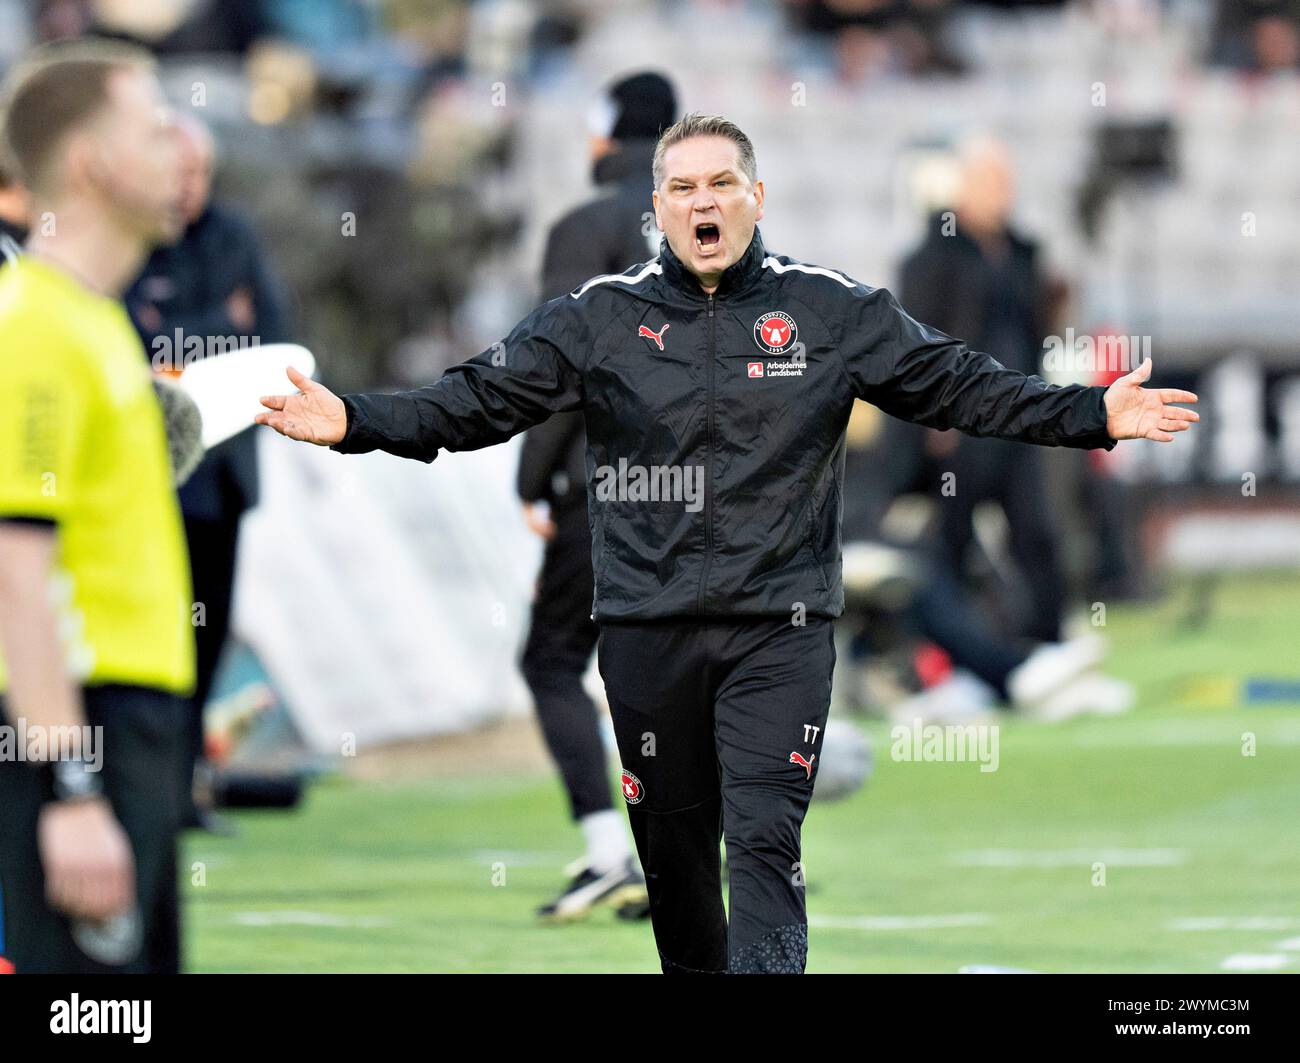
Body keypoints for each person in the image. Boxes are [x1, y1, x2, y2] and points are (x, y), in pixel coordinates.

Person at [255, 113, 1199, 974]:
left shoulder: (831, 311)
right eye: (682, 187)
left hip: (778, 629)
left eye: (721, 183)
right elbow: (476, 399)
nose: (702, 201)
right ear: (658, 207)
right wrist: (353, 419)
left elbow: (960, 384)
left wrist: (1092, 414)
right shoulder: (597, 316)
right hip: (643, 627)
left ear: (756, 197)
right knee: (674, 859)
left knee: (762, 841)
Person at [0, 40, 194, 973]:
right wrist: (69, 790)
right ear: (89, 163)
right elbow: (14, 573)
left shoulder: (99, 319)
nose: (180, 148)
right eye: (154, 129)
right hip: (87, 734)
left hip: (136, 724)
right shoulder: (34, 324)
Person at [517, 71, 677, 922]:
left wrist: (531, 474)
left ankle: (610, 852)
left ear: (607, 133)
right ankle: (687, 854)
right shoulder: (707, 216)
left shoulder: (585, 227)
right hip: (705, 485)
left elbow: (559, 364)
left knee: (551, 661)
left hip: (605, 481)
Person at [126, 113, 291, 832]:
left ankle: (190, 781)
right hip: (151, 480)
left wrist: (185, 340)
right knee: (156, 634)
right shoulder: (131, 238)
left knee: (210, 628)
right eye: (177, 172)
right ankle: (147, 786)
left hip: (222, 473)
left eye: (198, 174)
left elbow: (274, 334)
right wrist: (209, 331)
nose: (187, 188)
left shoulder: (234, 234)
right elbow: (136, 338)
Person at [900, 137, 1073, 645]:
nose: (1003, 193)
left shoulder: (1021, 253)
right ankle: (949, 652)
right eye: (992, 181)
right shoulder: (934, 256)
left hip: (1018, 414)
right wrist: (932, 418)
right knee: (952, 541)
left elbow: (1033, 332)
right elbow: (916, 339)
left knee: (1036, 533)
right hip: (962, 419)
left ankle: (1047, 644)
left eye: (1006, 181)